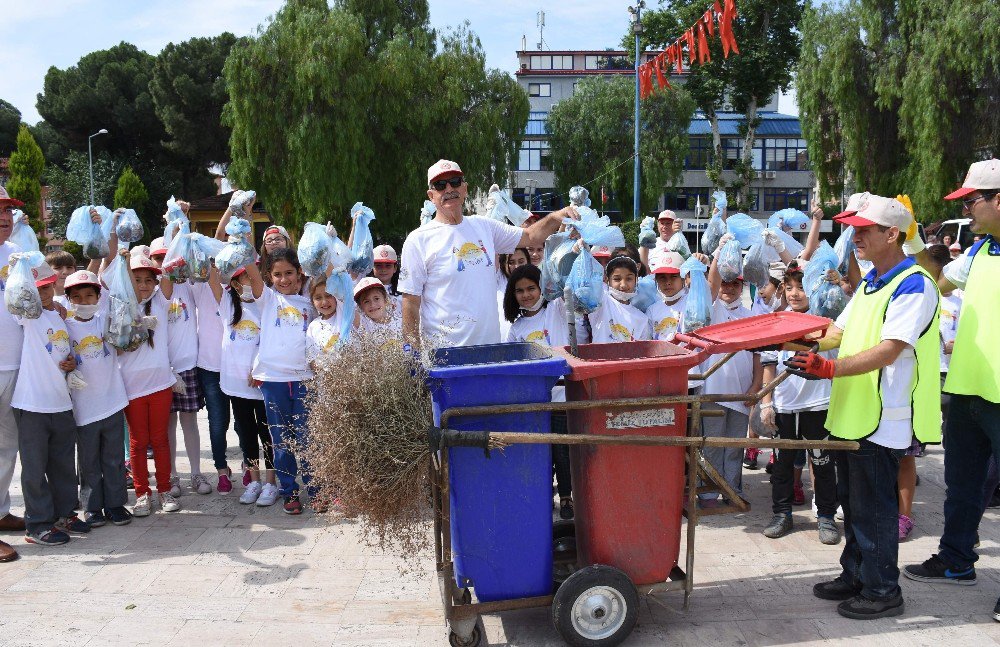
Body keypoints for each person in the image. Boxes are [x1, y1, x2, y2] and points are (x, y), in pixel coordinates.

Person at [790, 194, 940, 620]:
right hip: (854, 414)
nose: (854, 236)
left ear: (892, 234)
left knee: (875, 509)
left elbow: (889, 351)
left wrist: (827, 370)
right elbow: (836, 332)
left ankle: (882, 591)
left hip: (883, 420)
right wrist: (798, 342)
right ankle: (855, 575)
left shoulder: (914, 284)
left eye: (863, 230)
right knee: (853, 505)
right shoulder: (873, 282)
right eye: (853, 229)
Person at [903, 159, 1000, 621]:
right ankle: (957, 560)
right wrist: (915, 242)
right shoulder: (980, 252)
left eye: (972, 200)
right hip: (965, 393)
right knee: (961, 486)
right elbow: (935, 283)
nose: (967, 208)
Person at [399, 160, 578, 348]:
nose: (449, 189)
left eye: (455, 182)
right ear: (431, 195)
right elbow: (410, 302)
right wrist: (413, 353)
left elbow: (531, 236)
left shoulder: (484, 227)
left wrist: (556, 216)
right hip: (444, 356)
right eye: (440, 185)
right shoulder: (418, 240)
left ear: (465, 188)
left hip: (489, 352)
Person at [757, 261, 840, 545]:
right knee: (782, 465)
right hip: (784, 404)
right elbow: (769, 364)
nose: (794, 293)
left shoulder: (827, 320)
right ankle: (782, 514)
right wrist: (766, 402)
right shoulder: (777, 319)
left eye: (801, 287)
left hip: (819, 404)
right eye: (789, 287)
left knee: (823, 462)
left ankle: (826, 516)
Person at [11, 261, 88, 545]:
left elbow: (64, 352)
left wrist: (70, 362)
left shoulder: (60, 316)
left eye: (46, 287)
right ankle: (38, 524)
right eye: (36, 289)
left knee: (63, 465)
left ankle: (64, 513)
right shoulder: (26, 315)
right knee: (34, 467)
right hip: (31, 404)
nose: (42, 294)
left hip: (61, 403)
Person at [503, 263, 583, 520]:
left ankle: (567, 497)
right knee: (540, 450)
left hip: (562, 396)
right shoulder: (516, 329)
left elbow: (565, 283)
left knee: (562, 449)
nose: (526, 295)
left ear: (541, 288)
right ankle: (543, 495)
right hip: (534, 399)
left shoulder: (557, 309)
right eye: (519, 290)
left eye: (531, 288)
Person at [63, 266, 132, 527]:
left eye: (89, 296)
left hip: (113, 401)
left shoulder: (106, 320)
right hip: (84, 406)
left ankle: (116, 504)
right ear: (69, 299)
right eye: (77, 297)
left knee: (113, 458)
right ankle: (92, 507)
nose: (83, 302)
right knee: (89, 460)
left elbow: (124, 342)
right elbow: (61, 358)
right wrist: (68, 371)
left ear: (98, 297)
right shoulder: (65, 327)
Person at [249, 248, 316, 515]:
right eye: (277, 274)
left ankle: (316, 489)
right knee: (282, 440)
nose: (284, 279)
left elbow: (328, 275)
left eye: (289, 273)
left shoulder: (310, 304)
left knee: (308, 438)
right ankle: (289, 491)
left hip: (305, 380)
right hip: (274, 381)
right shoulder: (267, 300)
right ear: (269, 277)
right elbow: (252, 274)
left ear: (299, 273)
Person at [697, 240, 761, 505]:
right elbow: (710, 288)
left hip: (741, 394)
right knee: (711, 446)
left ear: (742, 286)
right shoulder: (712, 310)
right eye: (725, 283)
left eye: (735, 283)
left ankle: (732, 490)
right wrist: (718, 254)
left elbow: (759, 355)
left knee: (735, 447)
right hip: (713, 392)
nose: (728, 288)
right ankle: (709, 491)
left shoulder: (752, 315)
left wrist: (756, 386)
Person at [119, 253, 181, 516]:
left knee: (160, 439)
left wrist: (176, 227)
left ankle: (164, 489)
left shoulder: (161, 301)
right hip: (131, 387)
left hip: (160, 385)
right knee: (137, 442)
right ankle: (142, 493)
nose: (143, 285)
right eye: (136, 279)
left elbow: (168, 271)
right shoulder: (119, 305)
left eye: (148, 280)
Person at [211, 264, 277, 506]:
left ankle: (271, 482)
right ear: (235, 283)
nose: (250, 280)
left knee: (266, 433)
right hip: (235, 384)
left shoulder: (268, 302)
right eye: (245, 277)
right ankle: (255, 479)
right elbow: (211, 276)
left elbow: (271, 340)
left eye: (253, 275)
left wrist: (259, 368)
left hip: (261, 382)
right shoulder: (228, 303)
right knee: (246, 434)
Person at [150, 238, 209, 497]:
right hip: (162, 369)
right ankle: (172, 476)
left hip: (187, 366)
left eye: (170, 258)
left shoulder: (188, 287)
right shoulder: (151, 294)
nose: (165, 264)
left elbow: (204, 272)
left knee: (190, 423)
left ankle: (196, 472)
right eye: (160, 259)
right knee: (166, 426)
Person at [0, 187, 28, 561]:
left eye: (7, 210)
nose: (4, 217)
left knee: (8, 445)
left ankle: (1, 510)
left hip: (15, 364)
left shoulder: (15, 257)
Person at [588, 256, 651, 343]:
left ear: (636, 280)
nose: (623, 285)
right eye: (617, 279)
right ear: (607, 280)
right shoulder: (601, 300)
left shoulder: (642, 319)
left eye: (629, 279)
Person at [645, 251, 687, 341]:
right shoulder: (652, 310)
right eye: (662, 277)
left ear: (683, 278)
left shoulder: (692, 303)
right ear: (656, 280)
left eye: (674, 276)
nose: (668, 282)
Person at [372, 244, 401, 310]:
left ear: (395, 268)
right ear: (372, 267)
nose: (383, 269)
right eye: (378, 265)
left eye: (388, 265)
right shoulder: (364, 290)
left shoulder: (404, 293)